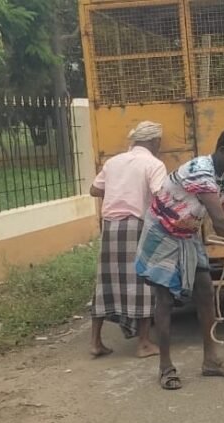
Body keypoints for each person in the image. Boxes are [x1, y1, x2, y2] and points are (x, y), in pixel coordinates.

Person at [135, 128, 224, 390]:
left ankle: (211, 360)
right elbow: (222, 222)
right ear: (222, 151)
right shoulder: (199, 170)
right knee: (165, 300)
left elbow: (221, 227)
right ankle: (166, 367)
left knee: (205, 292)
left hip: (188, 234)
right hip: (162, 233)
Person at [89, 121, 167, 359]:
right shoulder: (153, 164)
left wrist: (118, 190)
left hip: (110, 227)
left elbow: (94, 190)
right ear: (155, 142)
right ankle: (143, 343)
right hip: (137, 226)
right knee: (143, 282)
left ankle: (95, 341)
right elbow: (160, 195)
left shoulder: (113, 162)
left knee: (105, 282)